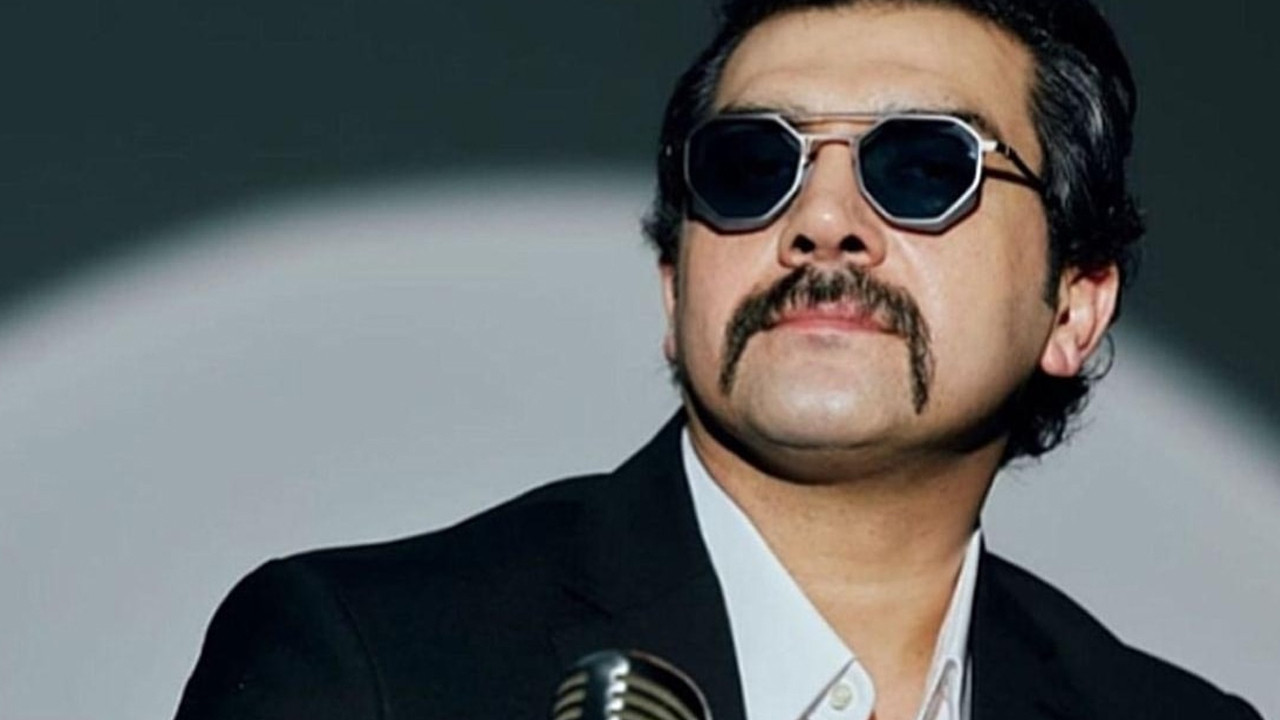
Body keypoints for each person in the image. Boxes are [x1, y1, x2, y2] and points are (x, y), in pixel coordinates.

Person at [175, 0, 1262, 718]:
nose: (822, 222)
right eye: (751, 166)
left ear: (1074, 306)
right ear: (673, 287)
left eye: (924, 166)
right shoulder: (368, 662)